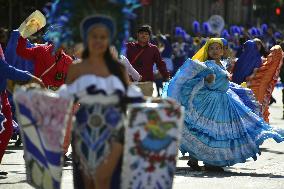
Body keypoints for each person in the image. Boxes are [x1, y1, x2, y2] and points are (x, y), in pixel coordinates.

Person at [163, 38, 283, 172]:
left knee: (214, 132)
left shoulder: (222, 64)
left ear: (222, 51)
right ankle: (202, 159)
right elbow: (205, 80)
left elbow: (224, 81)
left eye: (218, 48)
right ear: (207, 51)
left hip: (224, 99)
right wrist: (208, 78)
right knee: (206, 130)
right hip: (211, 101)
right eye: (212, 48)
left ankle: (204, 160)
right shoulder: (207, 65)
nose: (215, 51)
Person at [58, 15, 143, 189]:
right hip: (83, 128)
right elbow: (64, 97)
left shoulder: (118, 67)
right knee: (88, 181)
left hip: (114, 128)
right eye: (93, 36)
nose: (98, 41)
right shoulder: (77, 67)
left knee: (105, 179)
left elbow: (131, 95)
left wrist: (158, 105)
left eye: (103, 37)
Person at [0, 44, 44, 175]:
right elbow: (5, 68)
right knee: (6, 130)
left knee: (7, 129)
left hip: (3, 94)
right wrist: (29, 77)